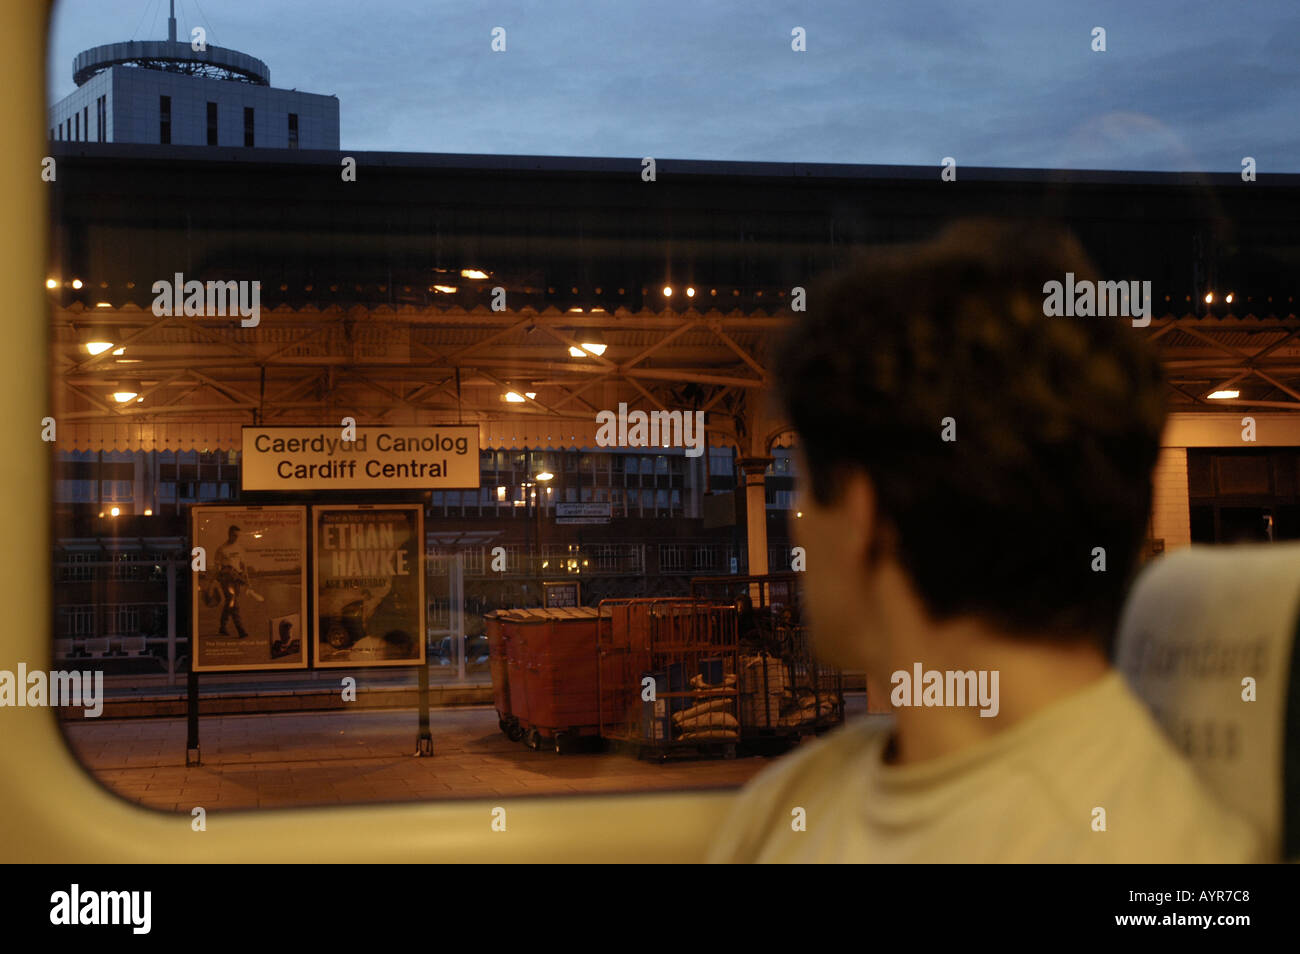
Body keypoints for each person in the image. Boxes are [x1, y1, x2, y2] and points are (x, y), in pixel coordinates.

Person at [707, 220, 1265, 863]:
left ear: (864, 513)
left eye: (805, 485)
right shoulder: (1182, 849)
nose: (799, 520)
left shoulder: (785, 812)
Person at [214, 524, 250, 639]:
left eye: (238, 536)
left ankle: (222, 626)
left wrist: (247, 580)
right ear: (229, 534)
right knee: (233, 601)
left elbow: (243, 566)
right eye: (234, 535)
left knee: (229, 602)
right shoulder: (221, 549)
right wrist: (217, 577)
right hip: (225, 578)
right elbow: (217, 566)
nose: (236, 538)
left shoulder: (239, 548)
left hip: (236, 578)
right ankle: (241, 629)